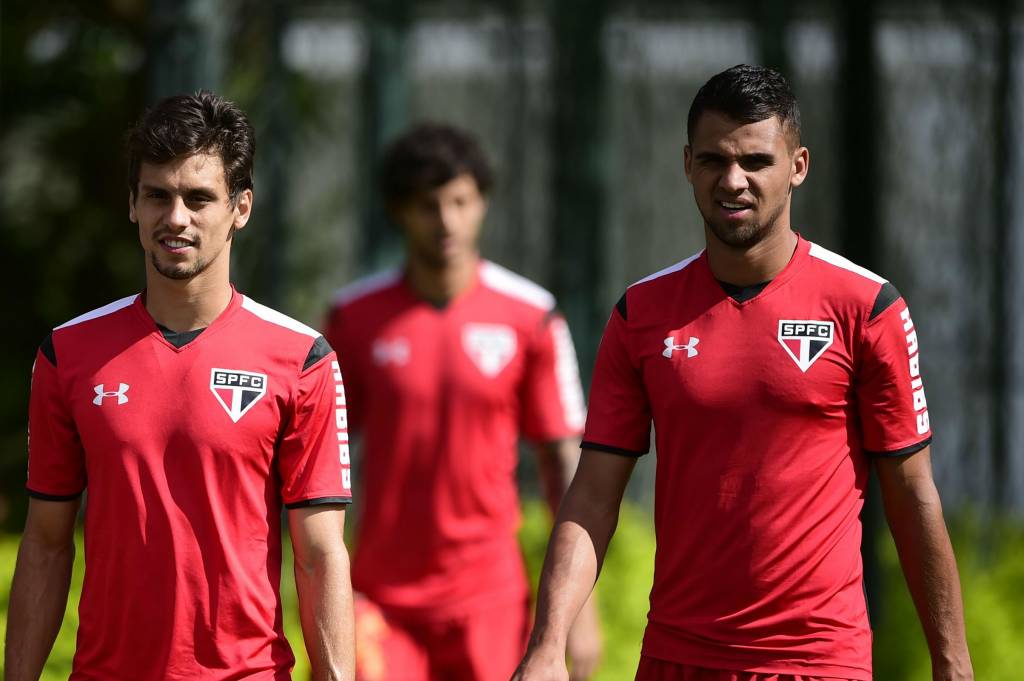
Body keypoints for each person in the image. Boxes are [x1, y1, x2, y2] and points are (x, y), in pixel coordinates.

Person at [513, 65, 974, 681]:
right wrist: (547, 646)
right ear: (687, 165)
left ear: (798, 166)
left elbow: (912, 493)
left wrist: (952, 660)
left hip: (816, 662)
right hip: (676, 658)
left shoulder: (867, 306)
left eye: (756, 161)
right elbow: (593, 494)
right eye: (713, 160)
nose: (733, 181)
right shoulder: (640, 314)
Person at [5, 91, 355, 681]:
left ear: (241, 208)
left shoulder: (303, 359)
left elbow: (320, 556)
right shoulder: (67, 354)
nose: (175, 218)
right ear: (133, 205)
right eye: (157, 196)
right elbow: (45, 543)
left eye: (199, 198)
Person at [323, 123, 602, 681]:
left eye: (460, 201)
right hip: (381, 601)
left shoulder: (532, 315)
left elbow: (563, 464)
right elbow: (320, 460)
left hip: (490, 602)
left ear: (482, 203)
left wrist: (578, 609)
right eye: (429, 206)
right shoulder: (352, 318)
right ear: (400, 211)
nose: (446, 221)